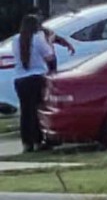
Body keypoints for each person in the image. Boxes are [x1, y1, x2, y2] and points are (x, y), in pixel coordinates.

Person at [11, 14, 75, 153]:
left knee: (26, 112)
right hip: (36, 77)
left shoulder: (16, 40)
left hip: (20, 79)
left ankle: (27, 142)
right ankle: (38, 140)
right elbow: (49, 56)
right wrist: (50, 42)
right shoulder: (38, 39)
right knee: (38, 110)